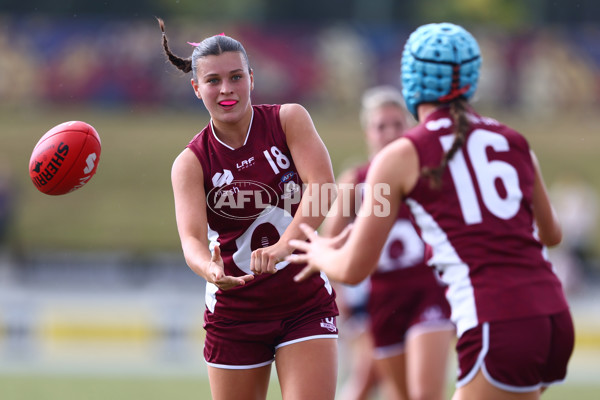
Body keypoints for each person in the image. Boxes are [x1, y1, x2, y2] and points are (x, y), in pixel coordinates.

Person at [288, 22, 574, 400]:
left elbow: (355, 268)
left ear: (411, 81)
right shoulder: (513, 141)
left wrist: (319, 252)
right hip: (552, 315)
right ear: (472, 79)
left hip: (497, 322)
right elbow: (551, 234)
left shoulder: (399, 156)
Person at [157, 19, 339, 400]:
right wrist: (209, 268)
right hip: (234, 313)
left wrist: (283, 247)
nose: (226, 89)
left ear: (252, 79)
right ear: (196, 88)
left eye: (236, 77)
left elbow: (322, 190)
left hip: (303, 301)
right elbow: (191, 239)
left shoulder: (288, 120)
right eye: (213, 81)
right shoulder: (190, 162)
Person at [329, 86, 454, 400]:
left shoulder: (430, 175)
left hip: (430, 291)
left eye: (397, 124)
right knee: (386, 389)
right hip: (379, 299)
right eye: (381, 126)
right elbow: (327, 242)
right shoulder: (353, 182)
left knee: (424, 393)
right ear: (367, 132)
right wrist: (339, 295)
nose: (389, 133)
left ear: (410, 127)